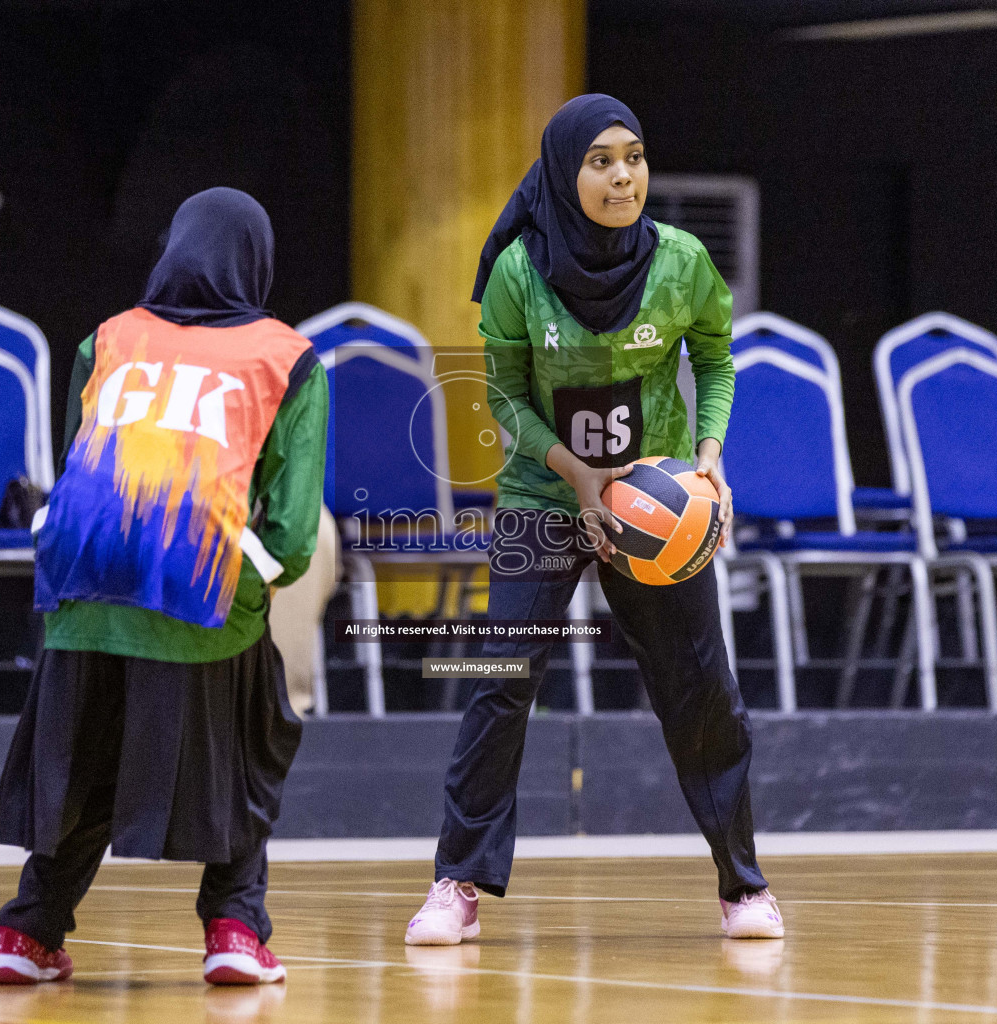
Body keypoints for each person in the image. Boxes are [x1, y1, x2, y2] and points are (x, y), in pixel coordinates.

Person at [404, 95, 782, 946]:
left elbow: (716, 361)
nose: (622, 175)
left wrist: (710, 448)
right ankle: (456, 882)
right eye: (601, 160)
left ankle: (744, 886)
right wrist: (569, 470)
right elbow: (501, 394)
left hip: (657, 507)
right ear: (563, 171)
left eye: (635, 157)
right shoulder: (517, 272)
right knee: (499, 685)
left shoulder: (683, 262)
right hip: (546, 496)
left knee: (701, 690)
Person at [0, 188, 328, 986]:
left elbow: (83, 465)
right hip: (197, 586)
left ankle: (26, 933)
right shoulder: (286, 356)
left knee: (87, 762)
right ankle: (235, 929)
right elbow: (291, 534)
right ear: (257, 261)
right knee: (250, 741)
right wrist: (249, 592)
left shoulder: (107, 338)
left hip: (79, 590)